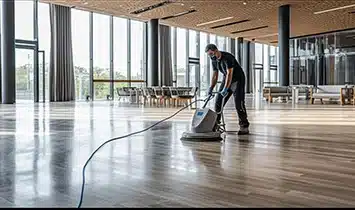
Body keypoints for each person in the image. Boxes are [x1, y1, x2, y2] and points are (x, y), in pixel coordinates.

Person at [205, 43, 249, 135]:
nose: (211, 56)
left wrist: (225, 89)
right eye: (209, 55)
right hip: (227, 78)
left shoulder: (228, 57)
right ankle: (216, 125)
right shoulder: (213, 59)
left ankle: (244, 126)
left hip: (237, 79)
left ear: (216, 50)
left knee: (239, 103)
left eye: (211, 54)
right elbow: (215, 75)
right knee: (218, 102)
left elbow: (230, 74)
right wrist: (211, 88)